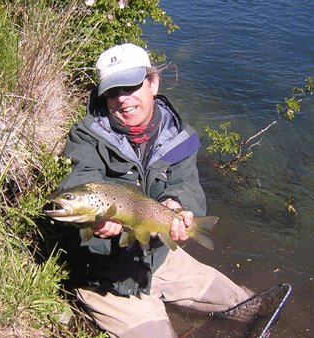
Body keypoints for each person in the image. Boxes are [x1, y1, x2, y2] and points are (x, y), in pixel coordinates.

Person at [56, 43, 250, 338]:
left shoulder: (179, 137)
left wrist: (178, 207)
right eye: (112, 91)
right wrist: (93, 221)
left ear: (153, 83)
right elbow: (81, 176)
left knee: (245, 304)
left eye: (131, 86)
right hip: (106, 274)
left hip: (158, 257)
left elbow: (186, 184)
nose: (122, 99)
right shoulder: (87, 135)